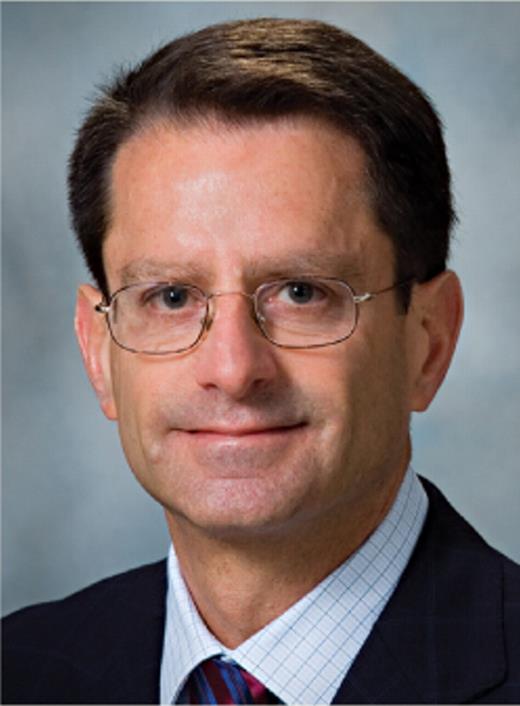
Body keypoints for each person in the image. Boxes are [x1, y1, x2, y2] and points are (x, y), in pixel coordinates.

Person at [2, 17, 519, 705]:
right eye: (171, 296)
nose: (233, 369)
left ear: (428, 341)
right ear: (99, 350)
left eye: (302, 293)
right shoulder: (20, 671)